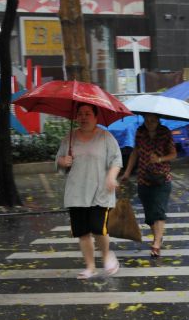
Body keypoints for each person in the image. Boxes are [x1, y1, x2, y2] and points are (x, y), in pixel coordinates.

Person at [56, 103, 123, 280]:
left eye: (87, 114)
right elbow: (58, 161)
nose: (83, 117)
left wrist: (111, 176)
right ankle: (90, 266)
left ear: (96, 117)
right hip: (76, 192)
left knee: (98, 228)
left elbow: (117, 160)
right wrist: (64, 161)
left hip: (100, 191)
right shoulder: (69, 138)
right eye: (80, 114)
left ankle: (107, 255)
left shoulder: (105, 137)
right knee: (83, 232)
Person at [121, 113, 176, 257]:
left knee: (158, 211)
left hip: (161, 178)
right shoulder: (140, 132)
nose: (149, 122)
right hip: (143, 178)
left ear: (158, 120)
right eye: (146, 120)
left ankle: (156, 243)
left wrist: (159, 159)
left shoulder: (165, 132)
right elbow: (135, 152)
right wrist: (127, 172)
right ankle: (158, 236)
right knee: (149, 215)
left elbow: (173, 154)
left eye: (152, 120)